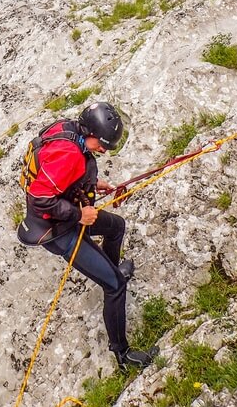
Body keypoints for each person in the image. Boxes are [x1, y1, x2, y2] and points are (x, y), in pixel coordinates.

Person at [17, 101, 157, 370]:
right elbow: (39, 197)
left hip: (65, 213)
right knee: (116, 286)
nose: (104, 150)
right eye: (102, 144)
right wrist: (79, 215)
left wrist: (91, 185)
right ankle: (123, 353)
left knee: (116, 227)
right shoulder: (68, 153)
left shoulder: (69, 131)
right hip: (57, 230)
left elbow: (58, 176)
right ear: (90, 131)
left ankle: (110, 268)